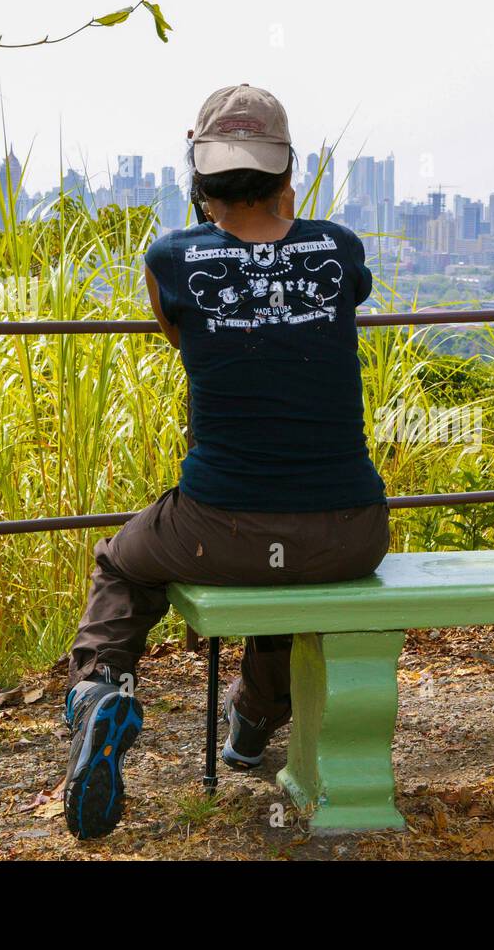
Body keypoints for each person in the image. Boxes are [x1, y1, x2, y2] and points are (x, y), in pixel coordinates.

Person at [61, 84, 388, 840]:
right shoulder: (338, 248)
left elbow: (189, 342)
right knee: (290, 579)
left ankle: (99, 692)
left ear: (200, 178)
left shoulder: (171, 258)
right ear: (286, 174)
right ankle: (249, 725)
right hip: (350, 531)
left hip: (215, 525)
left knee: (122, 561)